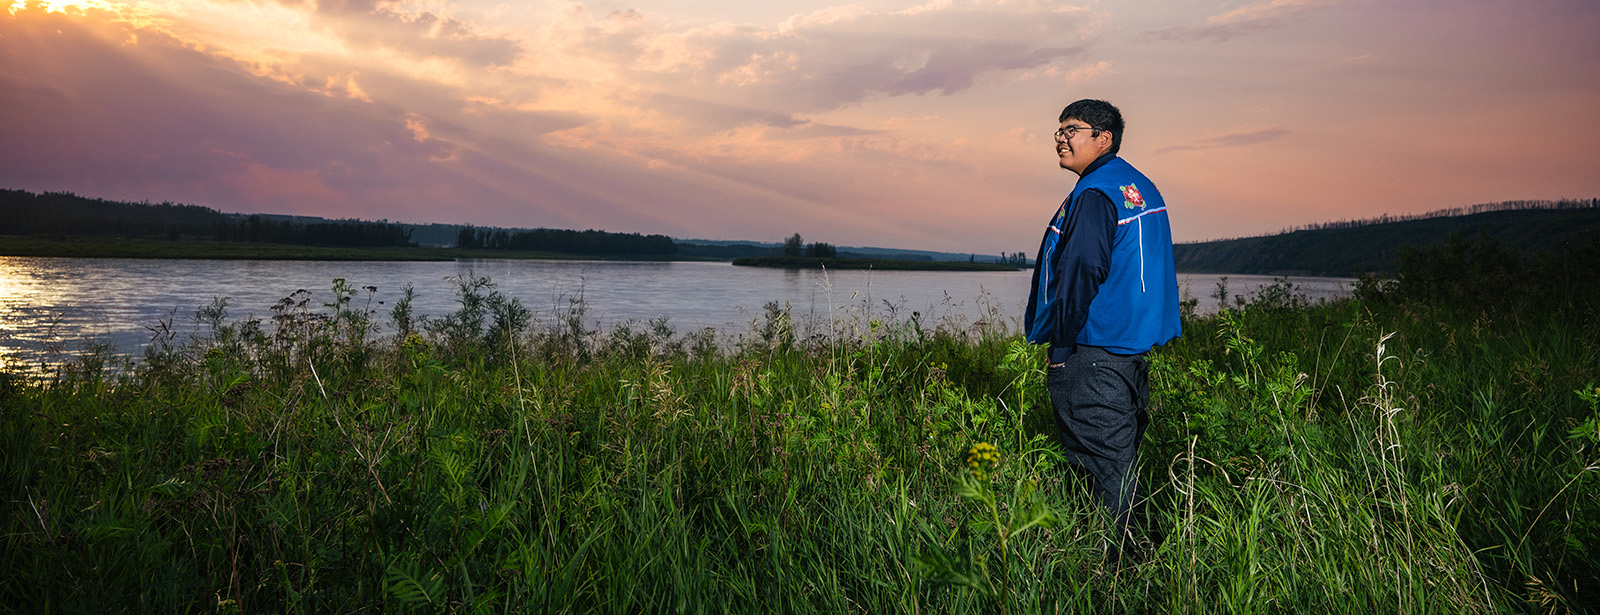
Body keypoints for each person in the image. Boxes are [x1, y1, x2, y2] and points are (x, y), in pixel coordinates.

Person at [1023, 99, 1181, 565]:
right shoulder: (1139, 186)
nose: (1061, 137)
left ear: (1103, 138)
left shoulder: (1094, 194)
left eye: (1072, 129)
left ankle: (1114, 576)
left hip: (1094, 352)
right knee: (1116, 463)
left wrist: (1061, 347)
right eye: (1058, 129)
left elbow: (1082, 271)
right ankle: (1119, 563)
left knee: (1103, 472)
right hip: (1131, 352)